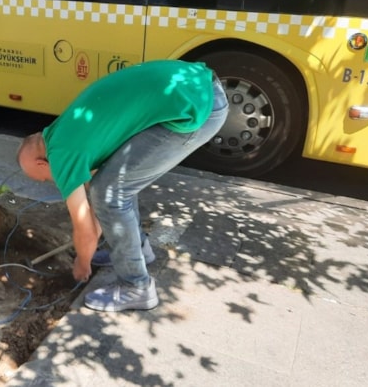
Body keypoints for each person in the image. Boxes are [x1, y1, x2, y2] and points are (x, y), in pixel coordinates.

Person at [17, 60, 229, 312]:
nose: (50, 181)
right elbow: (97, 197)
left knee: (110, 193)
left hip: (197, 107)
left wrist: (82, 263)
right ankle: (138, 252)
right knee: (114, 185)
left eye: (42, 178)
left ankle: (136, 286)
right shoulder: (61, 132)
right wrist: (96, 239)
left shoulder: (60, 154)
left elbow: (86, 226)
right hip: (197, 86)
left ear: (41, 163)